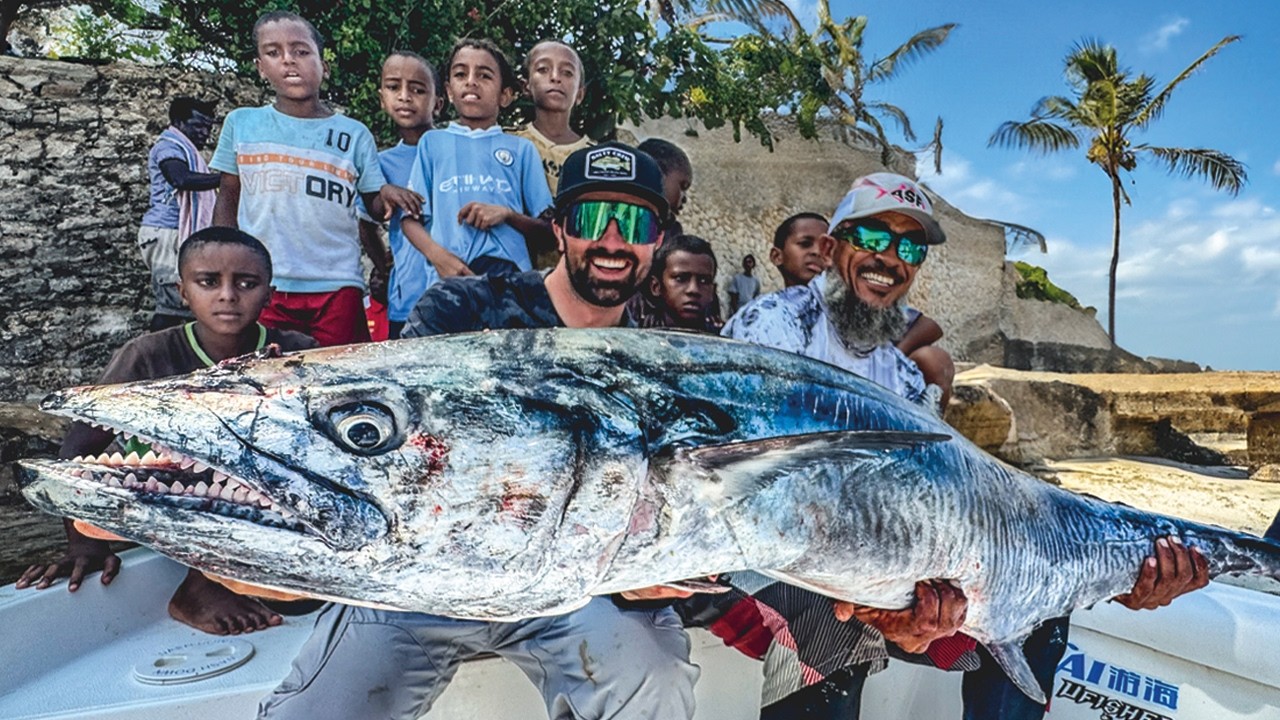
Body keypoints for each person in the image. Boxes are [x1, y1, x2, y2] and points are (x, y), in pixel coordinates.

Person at [722, 171, 1210, 720]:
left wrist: (1115, 576)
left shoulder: (902, 370)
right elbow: (758, 497)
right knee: (828, 617)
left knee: (1029, 608)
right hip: (761, 568)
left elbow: (933, 496)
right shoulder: (774, 327)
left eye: (909, 247)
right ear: (834, 248)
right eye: (876, 239)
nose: (891, 259)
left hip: (880, 569)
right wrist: (872, 591)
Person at [253, 142, 698, 720]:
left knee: (656, 685)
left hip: (574, 586)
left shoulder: (662, 360)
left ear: (656, 239)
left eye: (635, 222)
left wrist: (661, 567)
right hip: (422, 580)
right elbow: (375, 455)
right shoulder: (462, 312)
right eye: (592, 219)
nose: (612, 240)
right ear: (559, 229)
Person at [17, 227, 318, 636]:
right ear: (182, 291)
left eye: (246, 284)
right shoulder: (147, 356)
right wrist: (83, 541)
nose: (228, 295)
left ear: (269, 293)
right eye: (208, 282)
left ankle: (225, 575)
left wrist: (279, 388)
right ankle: (201, 586)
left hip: (247, 500)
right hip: (164, 497)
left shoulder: (296, 349)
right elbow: (77, 451)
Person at [210, 10, 420, 347]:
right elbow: (228, 198)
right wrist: (222, 265)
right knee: (268, 380)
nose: (289, 61)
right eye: (274, 52)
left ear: (324, 65)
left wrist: (388, 195)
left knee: (344, 378)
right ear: (261, 67)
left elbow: (372, 203)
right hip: (264, 283)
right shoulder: (242, 124)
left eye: (301, 51)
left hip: (336, 284)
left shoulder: (353, 134)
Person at [399, 37, 555, 309]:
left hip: (508, 280)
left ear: (505, 95)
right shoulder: (432, 143)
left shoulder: (520, 149)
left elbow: (548, 230)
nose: (471, 81)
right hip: (446, 276)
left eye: (484, 75)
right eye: (461, 74)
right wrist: (439, 257)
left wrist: (506, 214)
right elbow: (409, 219)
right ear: (448, 90)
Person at [769, 211, 953, 405]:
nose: (815, 253)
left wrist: (891, 355)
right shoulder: (771, 316)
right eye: (805, 244)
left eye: (911, 250)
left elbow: (929, 326)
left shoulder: (868, 300)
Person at [360, 50, 443, 340]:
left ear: (438, 103)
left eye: (418, 89)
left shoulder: (454, 152)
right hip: (407, 295)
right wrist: (383, 269)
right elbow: (366, 220)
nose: (405, 96)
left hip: (458, 289)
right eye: (394, 87)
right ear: (382, 98)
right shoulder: (381, 164)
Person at [138, 96, 220, 331]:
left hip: (177, 234)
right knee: (172, 307)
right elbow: (180, 178)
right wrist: (230, 178)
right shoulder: (168, 146)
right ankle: (155, 364)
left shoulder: (186, 149)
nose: (205, 132)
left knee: (187, 305)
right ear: (178, 123)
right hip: (167, 234)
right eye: (198, 126)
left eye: (208, 127)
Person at [512, 40, 594, 270]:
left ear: (580, 93)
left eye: (567, 72)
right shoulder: (508, 143)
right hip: (513, 278)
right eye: (543, 69)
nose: (555, 77)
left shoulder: (596, 157)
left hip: (574, 279)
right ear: (525, 85)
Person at [626, 233, 721, 332]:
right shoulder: (634, 338)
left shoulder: (721, 345)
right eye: (680, 279)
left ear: (712, 291)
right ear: (656, 286)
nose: (693, 289)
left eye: (704, 281)